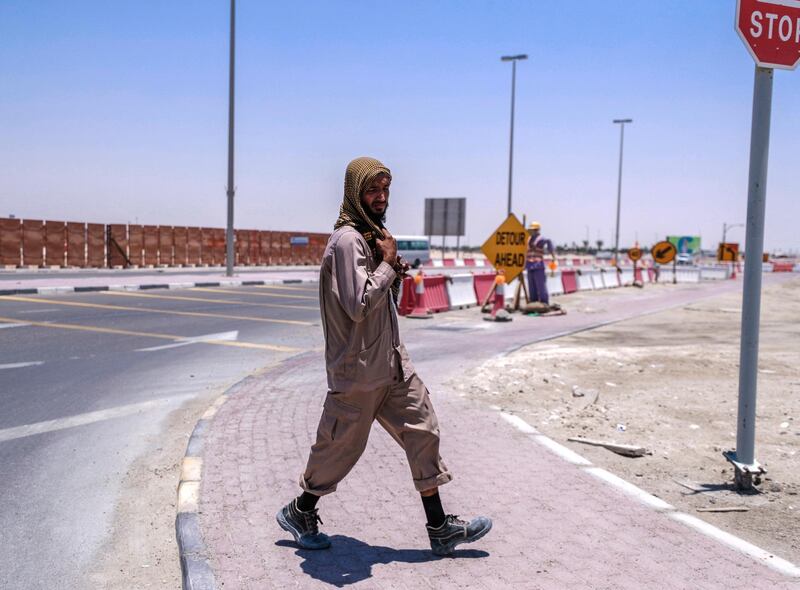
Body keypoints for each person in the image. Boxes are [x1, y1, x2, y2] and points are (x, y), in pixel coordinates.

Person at [277, 157, 492, 556]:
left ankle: (440, 528)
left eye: (385, 190)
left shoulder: (372, 234)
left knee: (422, 429)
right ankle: (300, 510)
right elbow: (359, 304)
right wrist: (389, 265)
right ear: (355, 193)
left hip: (391, 363)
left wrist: (392, 267)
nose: (380, 197)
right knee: (339, 449)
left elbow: (377, 295)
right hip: (356, 370)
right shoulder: (346, 240)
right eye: (372, 190)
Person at [525, 221, 555, 304]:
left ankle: (544, 302)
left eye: (533, 230)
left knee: (541, 285)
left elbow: (549, 241)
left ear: (537, 230)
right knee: (531, 286)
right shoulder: (528, 239)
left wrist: (552, 254)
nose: (532, 231)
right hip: (529, 265)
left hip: (538, 265)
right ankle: (533, 302)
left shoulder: (541, 239)